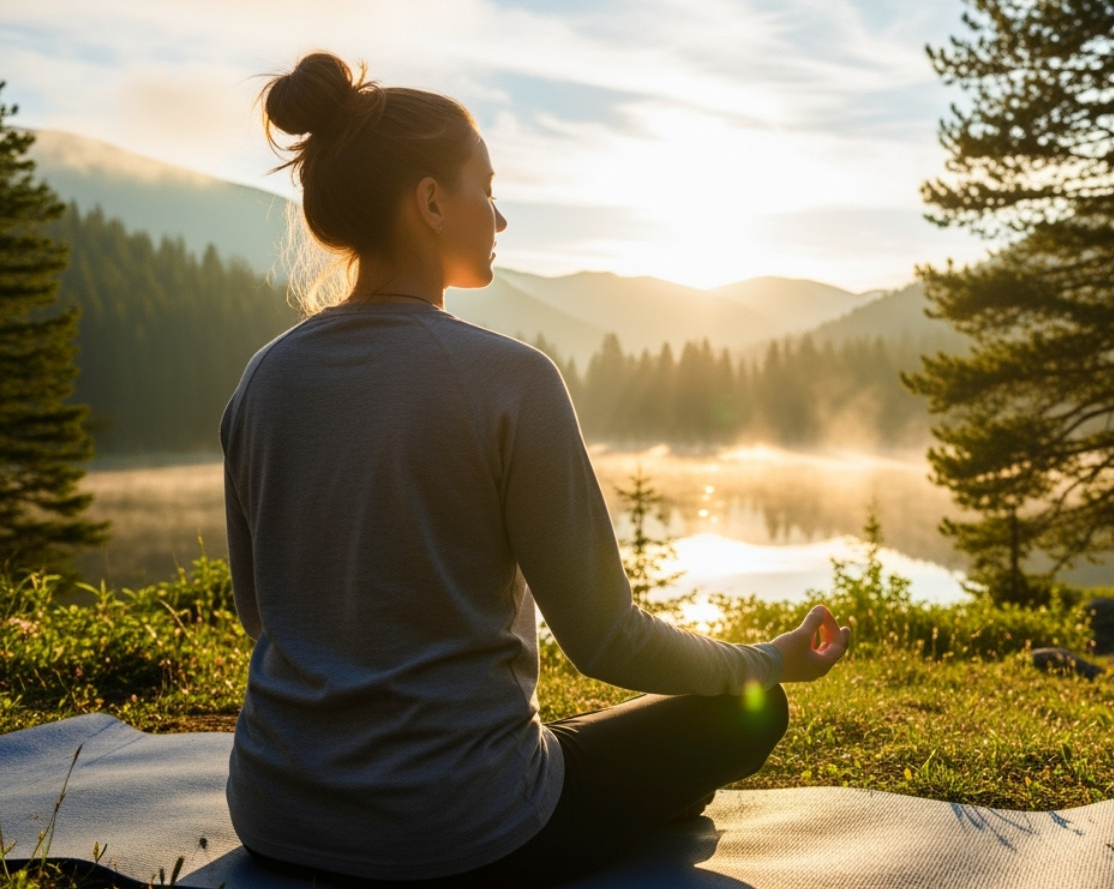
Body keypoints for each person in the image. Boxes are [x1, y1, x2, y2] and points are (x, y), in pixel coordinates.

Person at [221, 51, 852, 888]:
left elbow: (259, 617)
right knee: (747, 711)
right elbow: (604, 639)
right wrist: (767, 659)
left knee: (596, 735)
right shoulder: (511, 379)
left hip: (277, 813)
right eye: (487, 188)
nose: (500, 218)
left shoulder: (262, 379)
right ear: (431, 202)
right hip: (464, 831)